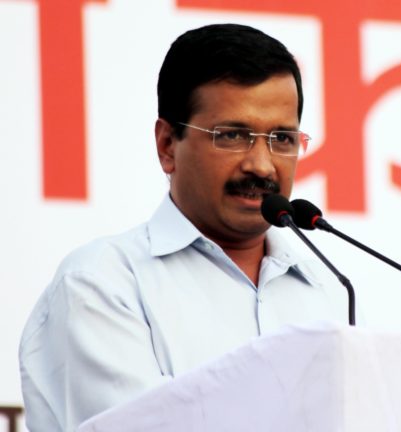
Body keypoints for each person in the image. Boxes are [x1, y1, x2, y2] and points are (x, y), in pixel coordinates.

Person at [19, 23, 346, 431]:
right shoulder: (103, 284)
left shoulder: (331, 292)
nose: (261, 165)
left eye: (281, 138)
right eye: (231, 135)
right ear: (167, 145)